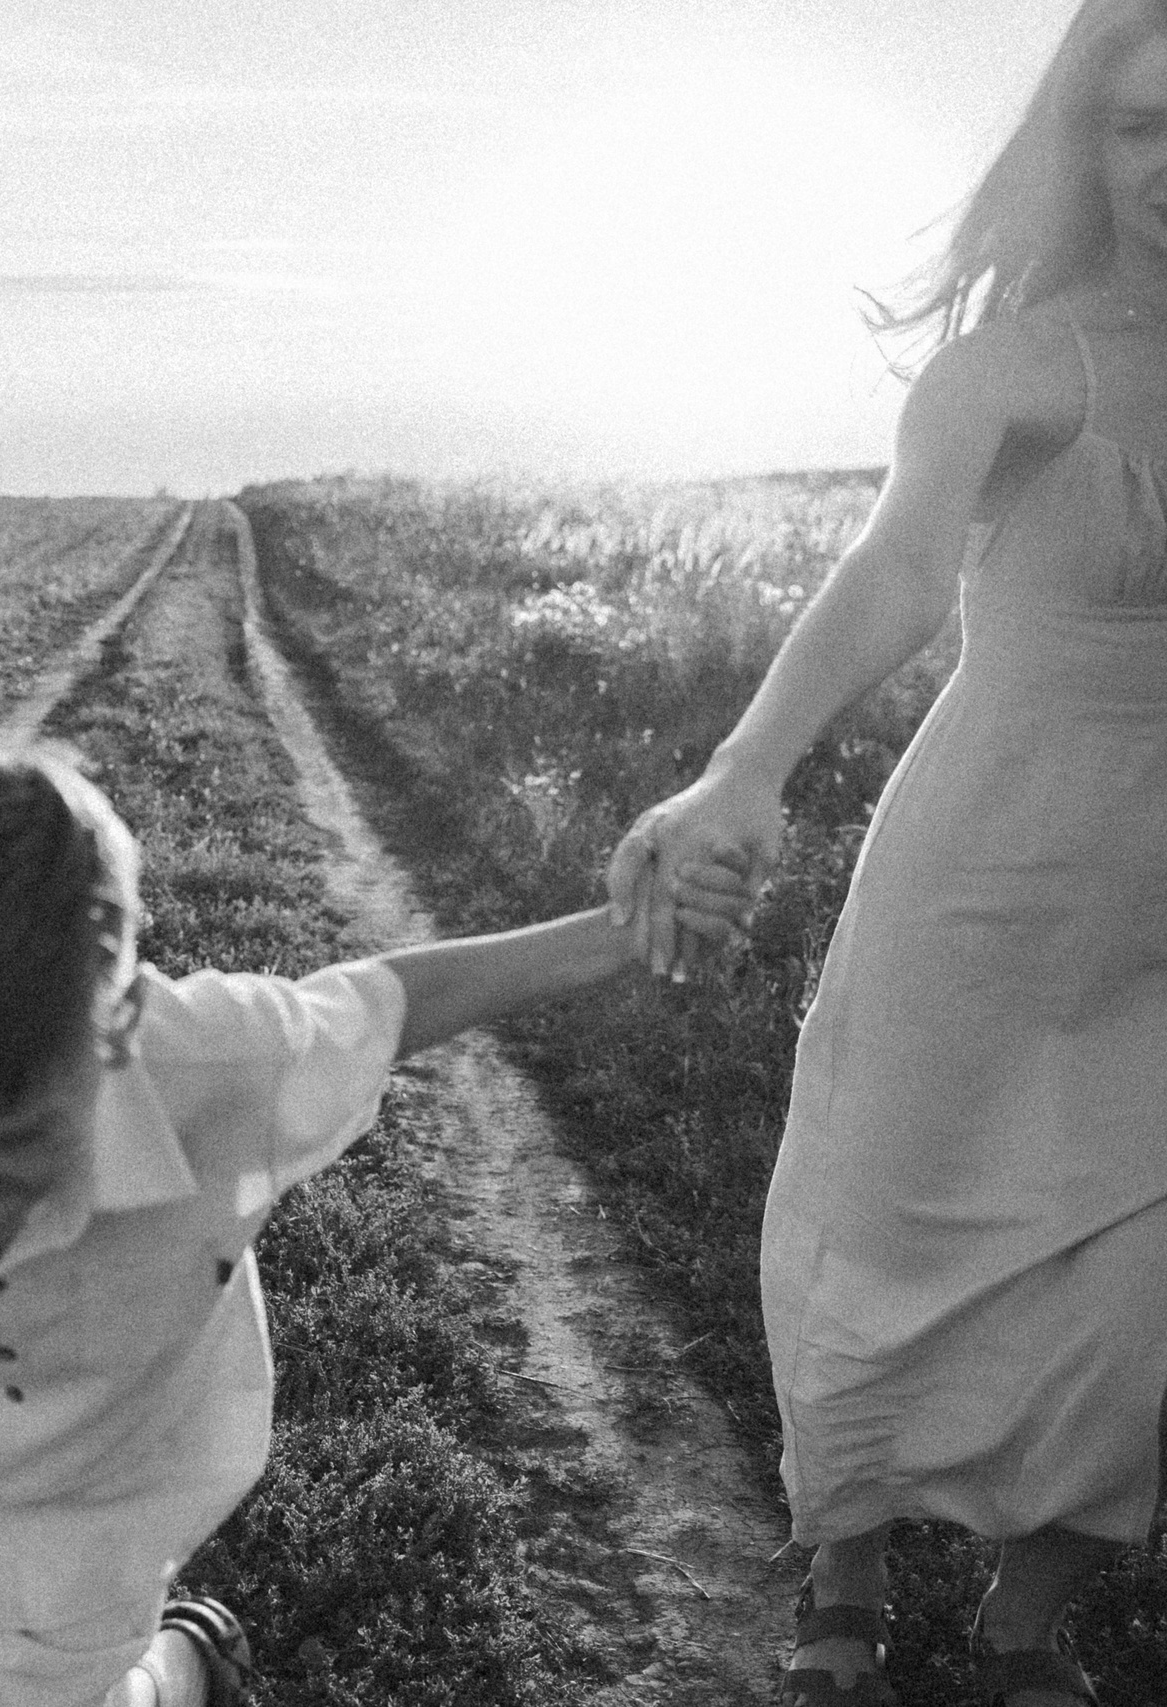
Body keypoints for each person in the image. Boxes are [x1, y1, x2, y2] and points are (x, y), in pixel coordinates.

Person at [0, 739, 747, 1707]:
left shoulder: (220, 1064)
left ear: (119, 1026)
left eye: (14, 1149)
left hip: (112, 1481)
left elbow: (395, 1002)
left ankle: (180, 1665)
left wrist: (621, 928)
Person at [606, 5, 1167, 1701]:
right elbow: (900, 570)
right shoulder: (1018, 367)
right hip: (989, 864)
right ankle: (843, 1568)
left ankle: (1023, 1620)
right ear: (1086, 148)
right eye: (1141, 127)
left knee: (1137, 1281)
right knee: (885, 1214)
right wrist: (745, 767)